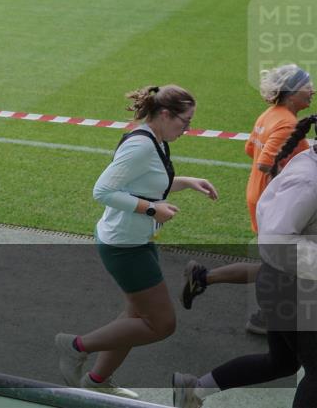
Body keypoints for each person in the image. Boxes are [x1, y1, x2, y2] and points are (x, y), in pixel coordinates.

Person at [55, 85, 218, 398]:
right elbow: (102, 191)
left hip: (136, 239)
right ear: (165, 114)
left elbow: (149, 183)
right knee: (161, 324)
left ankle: (97, 381)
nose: (188, 129)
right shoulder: (141, 145)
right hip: (124, 246)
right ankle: (75, 347)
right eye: (185, 122)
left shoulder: (158, 140)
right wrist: (152, 209)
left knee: (134, 317)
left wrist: (186, 182)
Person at [171, 134, 317, 408]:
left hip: (285, 282)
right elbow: (277, 242)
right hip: (293, 287)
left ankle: (195, 390)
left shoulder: (309, 163)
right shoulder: (309, 179)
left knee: (282, 362)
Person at [182, 66, 313, 334]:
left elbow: (249, 148)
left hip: (262, 195)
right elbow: (267, 163)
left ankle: (206, 278)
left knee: (275, 263)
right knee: (280, 264)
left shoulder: (271, 115)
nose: (312, 90)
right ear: (290, 92)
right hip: (278, 204)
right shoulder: (287, 122)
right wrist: (294, 179)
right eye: (306, 85)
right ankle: (263, 317)